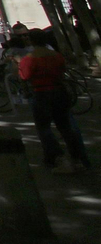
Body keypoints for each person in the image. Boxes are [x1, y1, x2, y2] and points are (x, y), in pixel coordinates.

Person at [18, 28, 92, 173]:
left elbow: (24, 77)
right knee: (66, 126)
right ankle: (78, 158)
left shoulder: (29, 59)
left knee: (44, 128)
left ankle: (57, 158)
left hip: (41, 93)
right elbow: (62, 71)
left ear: (31, 40)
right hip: (59, 92)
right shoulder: (56, 56)